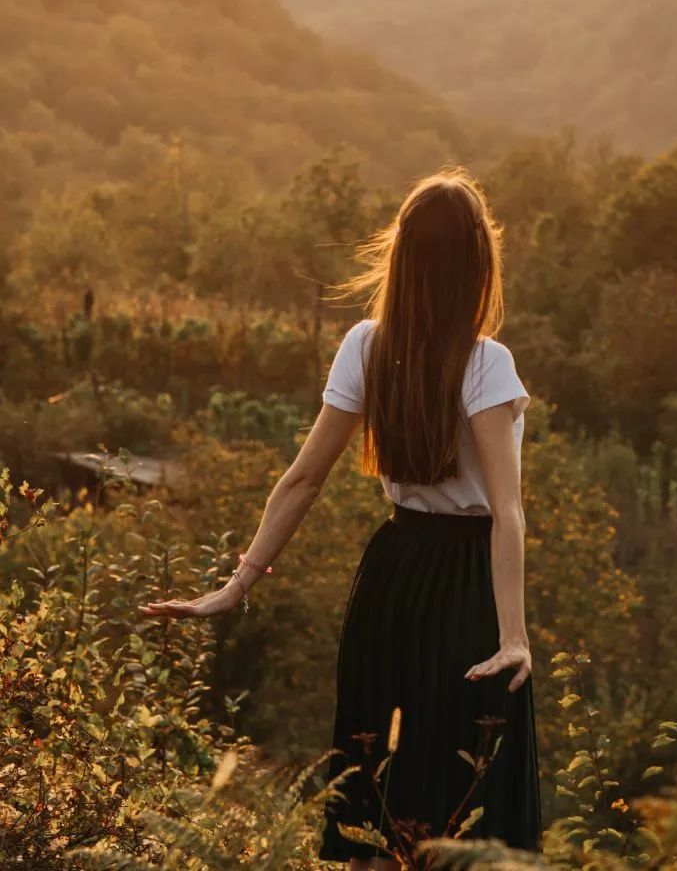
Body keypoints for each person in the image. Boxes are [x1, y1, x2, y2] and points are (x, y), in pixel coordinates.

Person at [138, 166, 543, 869]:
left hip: (390, 580)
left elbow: (301, 481)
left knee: (382, 815)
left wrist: (240, 583)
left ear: (403, 256)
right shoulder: (486, 363)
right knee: (469, 817)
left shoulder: (366, 344)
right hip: (469, 591)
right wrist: (514, 638)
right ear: (479, 261)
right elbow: (506, 512)